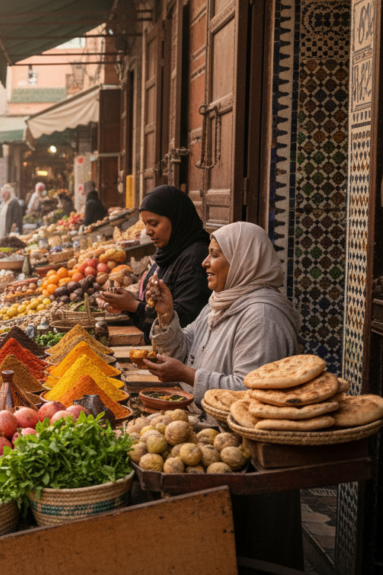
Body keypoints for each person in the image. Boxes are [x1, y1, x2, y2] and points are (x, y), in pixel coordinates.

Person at [144, 221, 302, 569]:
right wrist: (167, 315)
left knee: (249, 548)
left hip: (250, 457)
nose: (205, 261)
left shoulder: (261, 315)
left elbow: (252, 393)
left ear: (244, 260)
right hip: (213, 442)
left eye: (214, 255)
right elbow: (188, 345)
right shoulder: (222, 301)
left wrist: (186, 375)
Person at [100, 185, 212, 336]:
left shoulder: (195, 258)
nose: (148, 231)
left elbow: (185, 320)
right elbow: (155, 313)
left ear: (176, 219)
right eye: (145, 224)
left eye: (154, 223)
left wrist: (133, 306)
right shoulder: (169, 250)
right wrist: (126, 305)